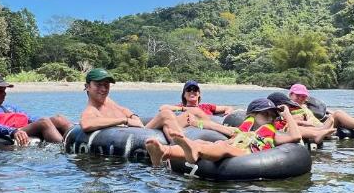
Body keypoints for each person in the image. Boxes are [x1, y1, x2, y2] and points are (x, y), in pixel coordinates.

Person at [80, 68, 238, 141]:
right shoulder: (90, 110)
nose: (103, 89)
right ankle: (183, 146)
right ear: (87, 87)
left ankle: (229, 133)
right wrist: (124, 120)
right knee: (165, 114)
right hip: (137, 133)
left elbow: (123, 109)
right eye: (98, 85)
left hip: (140, 128)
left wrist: (131, 115)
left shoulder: (107, 100)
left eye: (106, 85)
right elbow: (86, 124)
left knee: (190, 115)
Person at [144, 97, 301, 167]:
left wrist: (286, 113)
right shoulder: (239, 131)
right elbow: (214, 126)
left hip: (248, 155)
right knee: (203, 142)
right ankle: (164, 151)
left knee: (224, 147)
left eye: (272, 115)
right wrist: (195, 123)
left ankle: (193, 151)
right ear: (252, 116)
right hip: (232, 147)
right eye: (265, 114)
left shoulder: (273, 135)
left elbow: (296, 136)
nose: (269, 117)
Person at [0, 70, 72, 145]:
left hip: (24, 130)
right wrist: (12, 131)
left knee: (59, 118)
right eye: (0, 91)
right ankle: (65, 148)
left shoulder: (10, 108)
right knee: (44, 122)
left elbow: (30, 118)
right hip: (13, 132)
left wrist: (53, 123)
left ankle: (81, 137)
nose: (4, 94)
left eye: (4, 91)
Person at [288, 83, 354, 135]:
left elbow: (324, 112)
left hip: (324, 123)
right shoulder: (289, 107)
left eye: (303, 96)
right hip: (318, 128)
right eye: (298, 95)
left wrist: (344, 117)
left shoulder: (305, 105)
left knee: (352, 119)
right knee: (338, 113)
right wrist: (310, 124)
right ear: (291, 94)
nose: (301, 98)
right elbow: (294, 122)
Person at [267, 92, 335, 145]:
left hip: (284, 130)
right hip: (281, 133)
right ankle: (316, 134)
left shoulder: (282, 115)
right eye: (286, 106)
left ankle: (320, 130)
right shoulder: (272, 116)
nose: (288, 107)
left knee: (297, 127)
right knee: (294, 128)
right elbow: (278, 127)